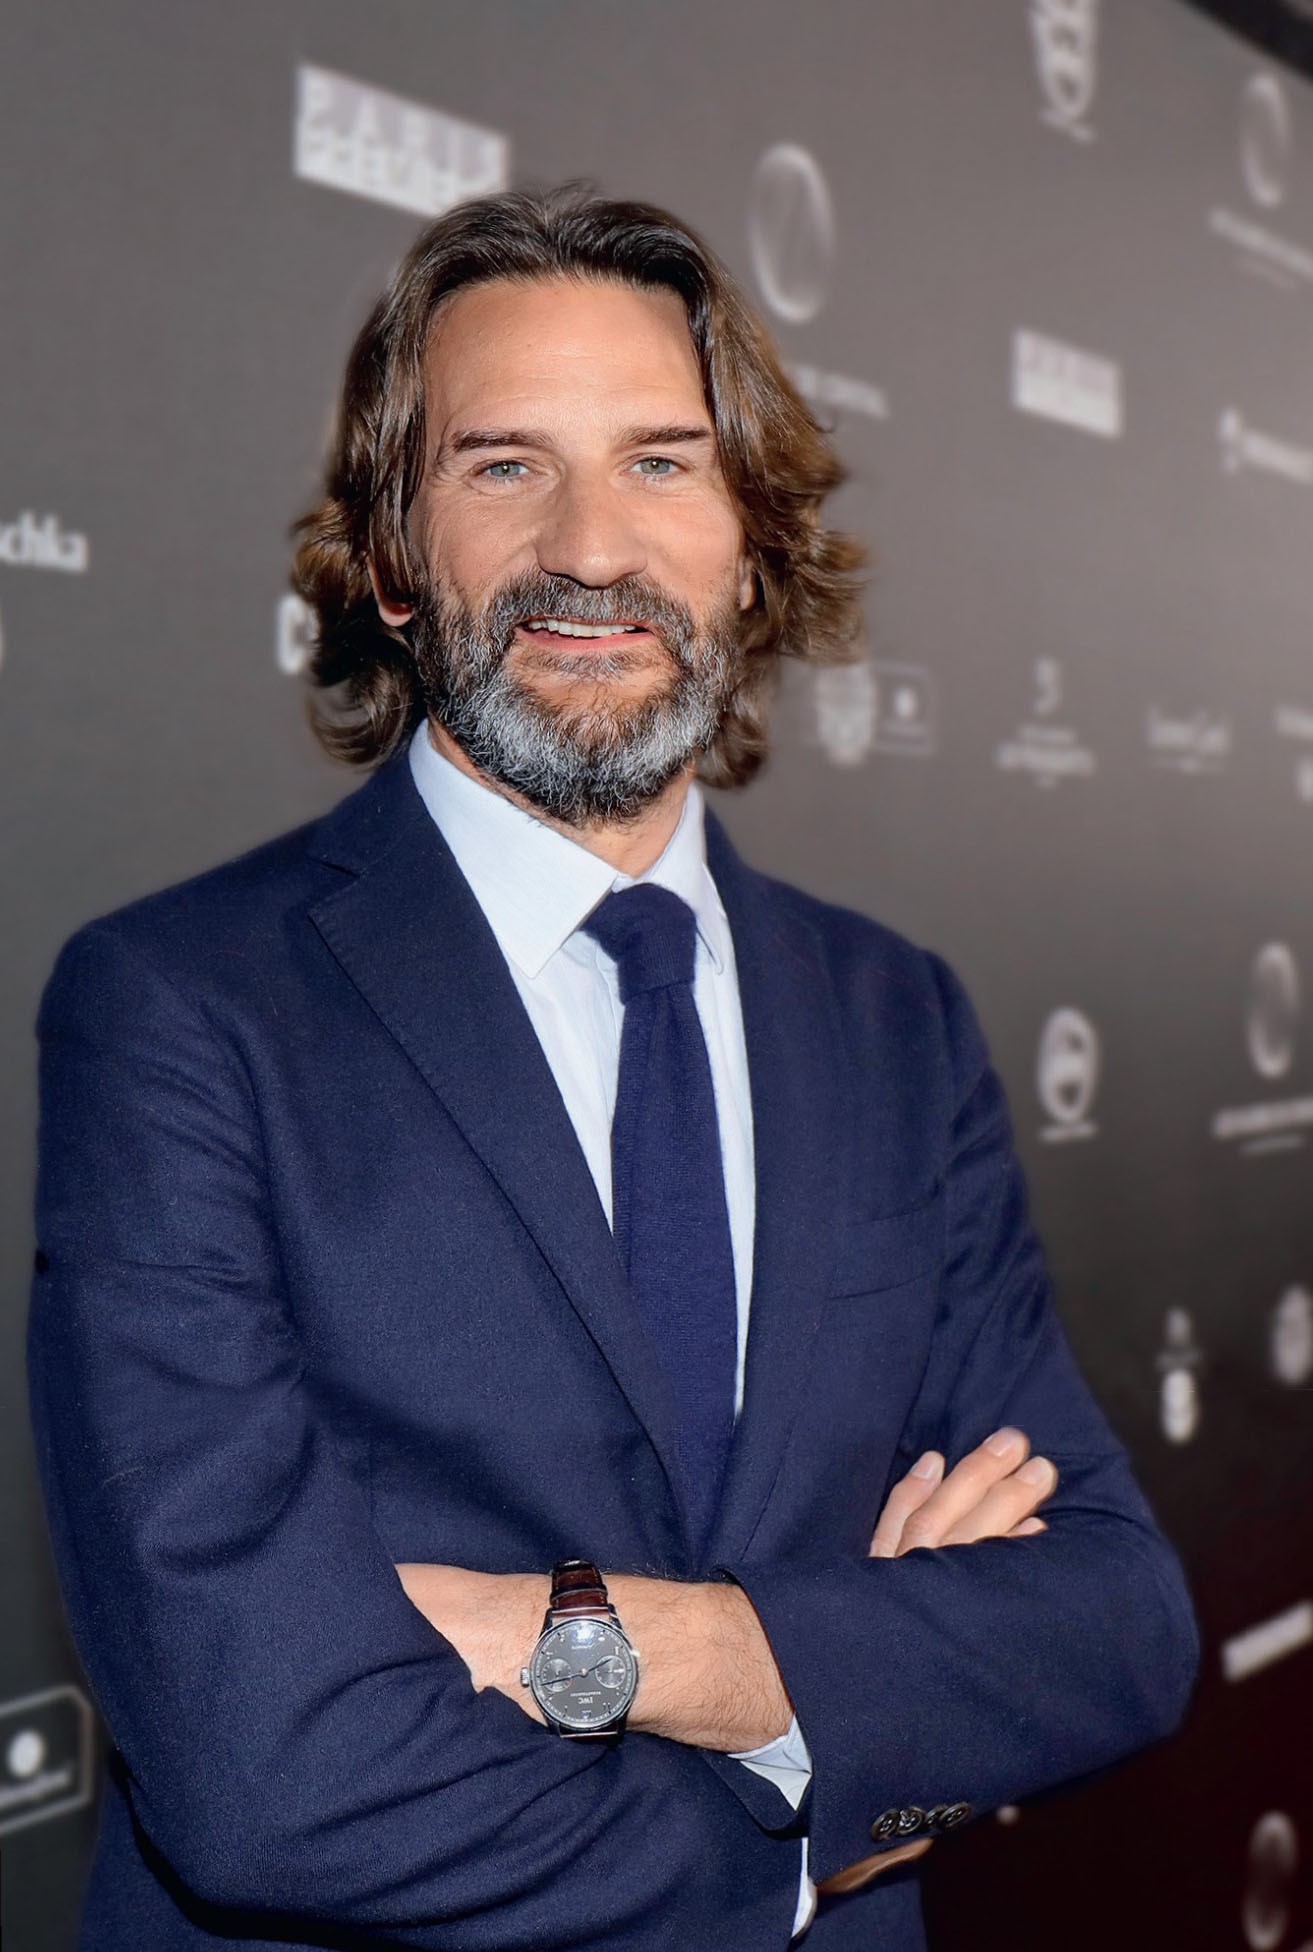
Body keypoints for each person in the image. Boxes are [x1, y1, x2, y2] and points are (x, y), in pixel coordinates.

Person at [28, 185, 1198, 1952]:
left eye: (662, 463)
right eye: (504, 465)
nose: (591, 545)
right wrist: (820, 1793)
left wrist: (637, 1646)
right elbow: (268, 1764)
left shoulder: (895, 1018)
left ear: (753, 546)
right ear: (393, 561)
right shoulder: (180, 1007)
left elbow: (1113, 1620)